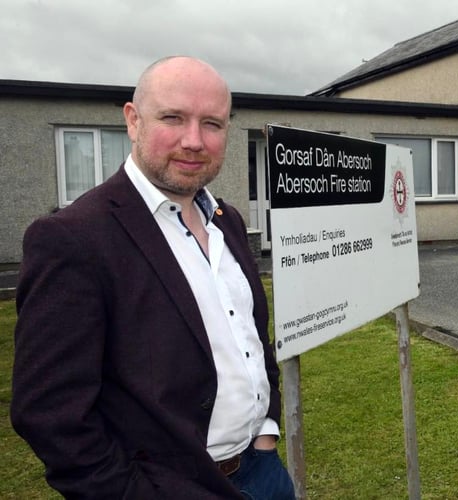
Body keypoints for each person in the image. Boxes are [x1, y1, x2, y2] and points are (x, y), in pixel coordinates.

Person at [11, 56, 296, 499]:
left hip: (263, 470)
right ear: (133, 120)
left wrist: (267, 431)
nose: (194, 141)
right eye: (173, 118)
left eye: (213, 124)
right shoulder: (74, 238)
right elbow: (51, 415)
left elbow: (251, 338)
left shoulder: (229, 222)